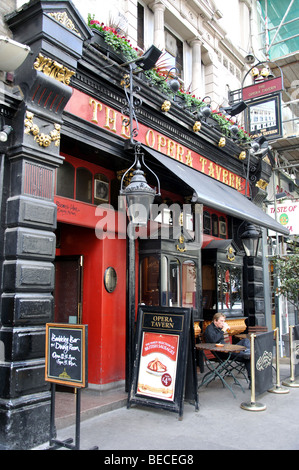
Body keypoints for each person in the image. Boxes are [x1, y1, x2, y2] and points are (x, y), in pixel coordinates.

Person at [204, 313, 251, 382]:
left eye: (224, 321)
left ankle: (248, 351)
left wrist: (225, 330)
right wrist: (223, 330)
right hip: (221, 352)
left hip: (227, 349)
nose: (223, 323)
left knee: (245, 340)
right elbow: (213, 340)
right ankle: (252, 381)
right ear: (215, 321)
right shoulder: (209, 328)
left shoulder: (219, 328)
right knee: (248, 358)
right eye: (221, 321)